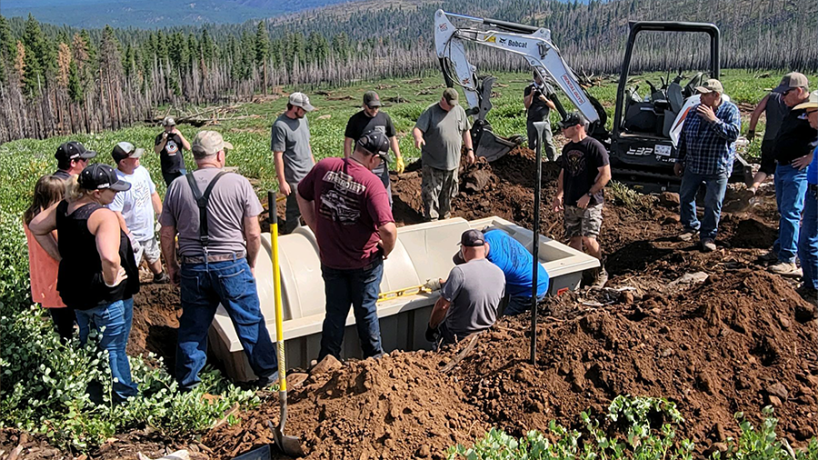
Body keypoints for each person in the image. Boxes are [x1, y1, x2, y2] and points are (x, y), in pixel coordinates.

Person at [159, 131, 279, 391]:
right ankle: (269, 377)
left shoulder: (178, 186)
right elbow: (253, 233)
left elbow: (167, 233)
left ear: (194, 155)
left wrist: (171, 266)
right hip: (231, 264)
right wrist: (252, 263)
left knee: (193, 327)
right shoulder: (238, 183)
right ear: (220, 154)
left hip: (193, 267)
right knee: (248, 321)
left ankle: (188, 387)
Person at [30, 164, 140, 402]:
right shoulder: (102, 215)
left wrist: (60, 257)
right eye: (113, 190)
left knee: (89, 343)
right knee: (113, 348)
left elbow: (36, 226)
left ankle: (94, 396)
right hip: (106, 297)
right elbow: (110, 257)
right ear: (97, 192)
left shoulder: (64, 208)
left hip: (77, 292)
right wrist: (111, 282)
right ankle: (124, 399)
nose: (117, 194)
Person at [296, 131, 397, 361]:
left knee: (334, 312)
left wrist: (314, 226)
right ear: (373, 157)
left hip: (331, 260)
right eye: (380, 160)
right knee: (366, 311)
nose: (379, 165)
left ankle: (327, 360)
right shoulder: (372, 184)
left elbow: (301, 194)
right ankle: (374, 361)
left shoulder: (324, 167)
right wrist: (386, 249)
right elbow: (389, 229)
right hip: (364, 263)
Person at [673, 79, 741, 253]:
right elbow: (684, 137)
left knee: (713, 203)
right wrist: (679, 160)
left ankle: (708, 236)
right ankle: (690, 226)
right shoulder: (694, 111)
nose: (700, 97)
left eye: (705, 94)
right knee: (686, 196)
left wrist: (713, 120)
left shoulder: (730, 110)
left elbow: (733, 134)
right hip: (694, 164)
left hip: (716, 167)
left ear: (716, 95)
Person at [552, 112, 611, 286]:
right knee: (574, 239)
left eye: (566, 127)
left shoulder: (595, 147)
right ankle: (578, 275)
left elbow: (605, 175)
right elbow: (564, 172)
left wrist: (589, 194)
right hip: (571, 201)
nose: (563, 129)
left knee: (589, 239)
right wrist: (559, 195)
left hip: (590, 203)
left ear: (578, 126)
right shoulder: (568, 148)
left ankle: (600, 271)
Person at [768, 73, 817, 275]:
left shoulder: (812, 110)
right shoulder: (795, 110)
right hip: (783, 167)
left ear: (798, 91)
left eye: (786, 93)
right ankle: (782, 247)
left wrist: (810, 156)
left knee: (791, 212)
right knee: (784, 210)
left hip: (797, 170)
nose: (782, 97)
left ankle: (788, 259)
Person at [426, 230, 505, 345]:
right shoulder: (499, 273)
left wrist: (431, 327)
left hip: (458, 336)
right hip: (485, 336)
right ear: (484, 248)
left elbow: (442, 306)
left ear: (464, 249)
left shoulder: (459, 272)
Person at [23, 175, 74, 342]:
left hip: (41, 276)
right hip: (59, 278)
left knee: (59, 321)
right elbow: (60, 250)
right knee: (68, 326)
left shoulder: (30, 216)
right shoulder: (51, 221)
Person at [109, 142, 169, 284]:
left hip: (147, 229)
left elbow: (153, 194)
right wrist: (128, 236)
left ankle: (159, 276)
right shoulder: (117, 182)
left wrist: (161, 215)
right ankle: (130, 288)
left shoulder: (142, 171)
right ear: (123, 162)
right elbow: (116, 213)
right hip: (132, 234)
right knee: (130, 265)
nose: (138, 158)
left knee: (153, 255)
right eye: (134, 157)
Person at [412, 88, 475, 221]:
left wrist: (470, 150)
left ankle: (444, 217)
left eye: (454, 104)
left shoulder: (459, 111)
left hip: (452, 164)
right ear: (443, 100)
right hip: (433, 163)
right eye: (450, 104)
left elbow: (465, 131)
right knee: (431, 193)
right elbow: (418, 128)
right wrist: (418, 138)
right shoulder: (431, 111)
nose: (452, 107)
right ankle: (431, 219)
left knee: (449, 192)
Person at [344, 90, 406, 207]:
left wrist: (399, 157)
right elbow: (348, 142)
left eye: (377, 107)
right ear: (364, 105)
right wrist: (348, 162)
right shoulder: (355, 120)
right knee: (364, 196)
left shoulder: (384, 118)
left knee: (385, 197)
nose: (374, 110)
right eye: (372, 107)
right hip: (362, 165)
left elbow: (392, 138)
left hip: (381, 165)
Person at [272, 92, 316, 234]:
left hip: (309, 172)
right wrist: (282, 182)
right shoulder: (280, 126)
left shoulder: (303, 120)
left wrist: (314, 167)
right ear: (294, 107)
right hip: (295, 177)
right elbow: (278, 155)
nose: (305, 112)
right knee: (294, 212)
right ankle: (293, 239)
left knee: (314, 207)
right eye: (303, 109)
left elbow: (307, 145)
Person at [746, 74, 791, 193]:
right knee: (784, 167)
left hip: (769, 139)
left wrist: (751, 131)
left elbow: (756, 113)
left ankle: (753, 187)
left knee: (765, 167)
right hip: (786, 140)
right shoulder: (793, 101)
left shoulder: (770, 96)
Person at [794, 91, 818, 304]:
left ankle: (815, 288)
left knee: (808, 241)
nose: (807, 118)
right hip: (813, 192)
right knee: (806, 241)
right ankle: (810, 284)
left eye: (809, 113)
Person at [524, 71, 558, 161]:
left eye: (544, 76)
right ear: (535, 78)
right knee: (532, 143)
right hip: (532, 120)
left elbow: (553, 106)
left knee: (548, 142)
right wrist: (531, 95)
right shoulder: (528, 88)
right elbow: (527, 105)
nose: (543, 78)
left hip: (544, 120)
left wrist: (544, 99)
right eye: (540, 77)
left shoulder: (548, 88)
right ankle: (533, 161)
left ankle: (552, 161)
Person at [154, 117, 191, 186]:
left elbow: (188, 147)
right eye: (169, 126)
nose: (171, 128)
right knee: (171, 189)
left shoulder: (178, 136)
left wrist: (180, 135)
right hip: (168, 169)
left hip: (180, 168)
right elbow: (157, 151)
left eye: (173, 126)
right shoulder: (159, 137)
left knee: (183, 187)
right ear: (165, 126)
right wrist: (163, 140)